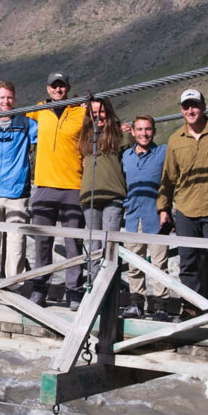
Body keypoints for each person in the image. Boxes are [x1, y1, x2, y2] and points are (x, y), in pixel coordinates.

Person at [156, 88, 208, 309]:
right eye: (186, 106)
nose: (190, 110)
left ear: (203, 106)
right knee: (188, 261)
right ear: (181, 110)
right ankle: (192, 307)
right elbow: (169, 177)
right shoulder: (175, 139)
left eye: (194, 105)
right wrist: (163, 208)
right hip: (185, 210)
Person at [23, 71, 87, 308]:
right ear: (48, 89)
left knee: (73, 243)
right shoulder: (39, 109)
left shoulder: (81, 111)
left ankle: (74, 291)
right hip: (45, 185)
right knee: (42, 242)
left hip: (73, 185)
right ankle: (40, 288)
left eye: (62, 86)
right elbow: (11, 114)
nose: (58, 90)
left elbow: (102, 123)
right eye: (54, 86)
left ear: (68, 88)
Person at [0, 81, 37, 287]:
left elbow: (51, 132)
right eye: (1, 97)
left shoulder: (27, 124)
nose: (5, 101)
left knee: (16, 244)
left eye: (9, 97)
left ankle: (14, 286)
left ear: (14, 99)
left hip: (17, 192)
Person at [120, 114, 172, 321]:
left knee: (160, 264)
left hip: (156, 217)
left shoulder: (163, 153)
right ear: (132, 132)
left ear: (154, 131)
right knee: (134, 264)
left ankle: (161, 306)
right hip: (132, 216)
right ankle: (136, 304)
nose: (144, 133)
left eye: (148, 129)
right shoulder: (125, 156)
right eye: (139, 129)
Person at [78, 97, 130, 288]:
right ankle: (92, 284)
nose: (97, 116)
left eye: (101, 111)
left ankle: (109, 287)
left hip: (113, 195)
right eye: (93, 112)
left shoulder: (119, 134)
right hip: (89, 196)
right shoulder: (84, 135)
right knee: (93, 244)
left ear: (107, 112)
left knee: (111, 243)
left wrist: (125, 128)